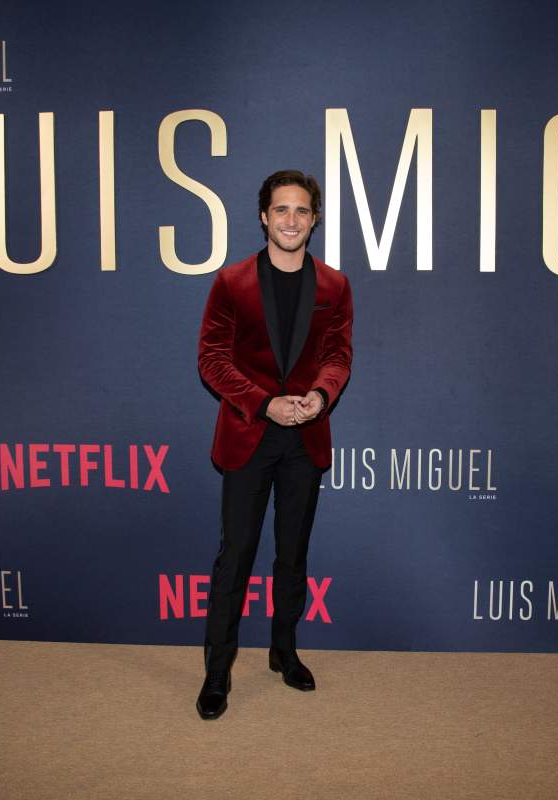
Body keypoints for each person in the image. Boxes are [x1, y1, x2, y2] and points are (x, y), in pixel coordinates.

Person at [195, 169, 353, 720]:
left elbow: (338, 356)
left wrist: (320, 394)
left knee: (292, 555)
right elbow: (211, 359)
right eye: (281, 209)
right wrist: (264, 403)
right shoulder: (231, 282)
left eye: (301, 210)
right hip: (248, 435)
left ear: (314, 219)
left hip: (305, 438)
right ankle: (218, 671)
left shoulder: (334, 286)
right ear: (264, 216)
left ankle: (283, 652)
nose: (291, 219)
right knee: (235, 556)